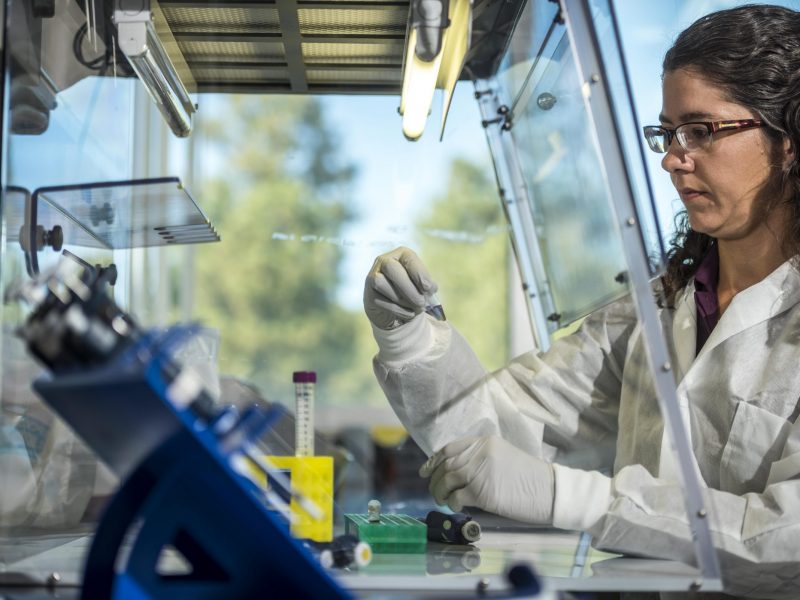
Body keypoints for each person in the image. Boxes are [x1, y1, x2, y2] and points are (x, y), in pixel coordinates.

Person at [363, 4, 800, 598]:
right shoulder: (659, 308)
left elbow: (782, 537)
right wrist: (411, 339)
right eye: (667, 133)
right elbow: (487, 433)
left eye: (702, 131)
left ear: (789, 140)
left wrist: (571, 497)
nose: (673, 158)